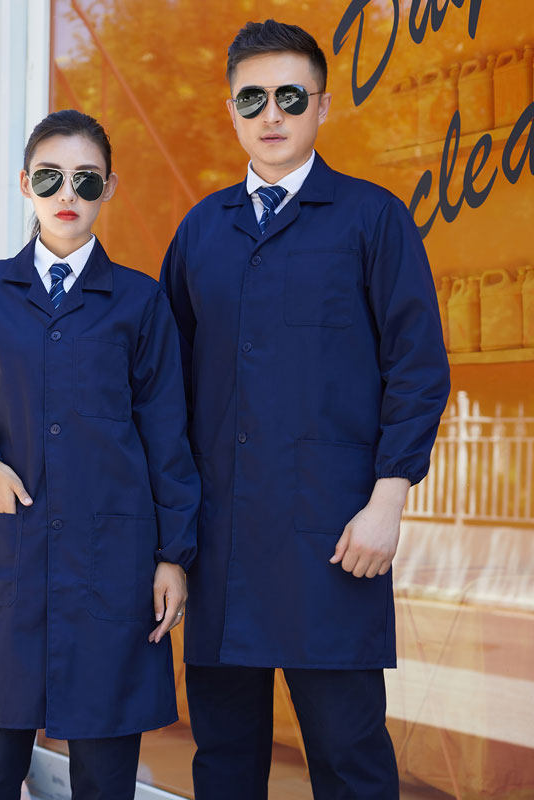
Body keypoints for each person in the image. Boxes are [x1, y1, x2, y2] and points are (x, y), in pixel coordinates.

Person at [160, 19, 450, 800]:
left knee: (349, 757)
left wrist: (388, 501)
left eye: (291, 97)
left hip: (334, 538)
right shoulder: (200, 231)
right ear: (231, 110)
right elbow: (165, 394)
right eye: (252, 98)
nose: (272, 115)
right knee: (223, 761)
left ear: (321, 106)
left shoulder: (372, 219)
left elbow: (418, 369)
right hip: (221, 543)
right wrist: (170, 542)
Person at [0, 109, 199, 800]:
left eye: (85, 179)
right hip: (11, 558)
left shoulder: (140, 302)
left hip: (112, 566)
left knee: (105, 775)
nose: (67, 193)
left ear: (109, 188)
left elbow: (167, 436)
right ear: (26, 184)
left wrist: (173, 556)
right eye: (50, 177)